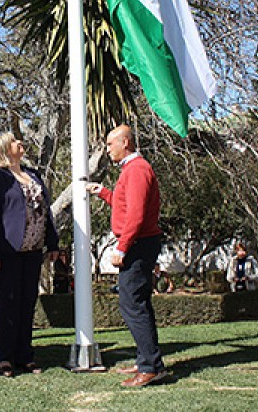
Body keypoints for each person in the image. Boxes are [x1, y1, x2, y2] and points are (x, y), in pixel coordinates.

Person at [86, 125, 168, 387]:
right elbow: (127, 206)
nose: (107, 149)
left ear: (125, 142)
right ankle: (148, 361)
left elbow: (136, 215)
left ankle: (150, 366)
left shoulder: (137, 170)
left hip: (138, 245)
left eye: (111, 144)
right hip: (140, 242)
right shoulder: (131, 170)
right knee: (136, 303)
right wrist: (104, 193)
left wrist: (122, 247)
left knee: (132, 304)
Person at [0, 132, 60, 377]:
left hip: (32, 253)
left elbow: (46, 212)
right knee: (7, 305)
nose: (20, 144)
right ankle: (4, 357)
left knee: (27, 304)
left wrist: (52, 243)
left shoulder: (32, 175)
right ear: (4, 149)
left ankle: (25, 355)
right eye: (15, 142)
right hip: (7, 253)